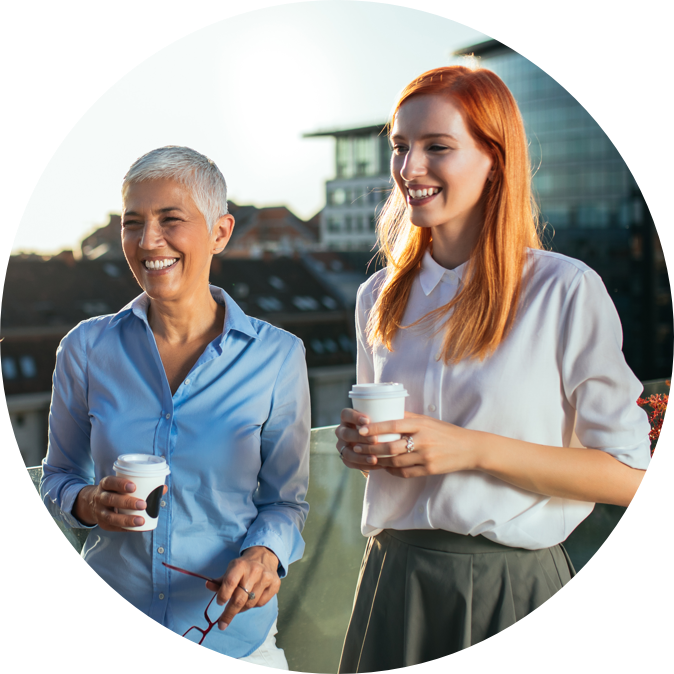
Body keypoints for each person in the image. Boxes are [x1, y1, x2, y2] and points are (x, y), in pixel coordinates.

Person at [335, 66, 651, 671]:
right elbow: (386, 443)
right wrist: (359, 448)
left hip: (515, 586)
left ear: (495, 160)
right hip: (391, 580)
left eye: (437, 148)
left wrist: (472, 449)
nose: (409, 168)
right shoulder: (376, 296)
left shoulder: (565, 290)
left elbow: (629, 476)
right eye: (401, 147)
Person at [40, 146, 310, 667]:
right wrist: (89, 505)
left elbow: (286, 502)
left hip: (233, 637)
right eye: (133, 223)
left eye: (170, 220)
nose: (148, 242)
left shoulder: (277, 356)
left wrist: (265, 555)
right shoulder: (85, 349)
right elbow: (56, 478)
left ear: (220, 232)